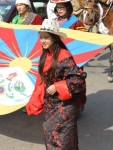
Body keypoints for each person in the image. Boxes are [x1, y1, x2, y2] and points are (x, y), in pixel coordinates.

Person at [26, 18, 86, 149]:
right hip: (50, 106)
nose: (43, 41)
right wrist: (34, 102)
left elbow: (78, 81)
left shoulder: (64, 55)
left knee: (64, 142)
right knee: (50, 138)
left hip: (65, 107)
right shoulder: (45, 55)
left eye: (46, 37)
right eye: (41, 37)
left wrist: (58, 86)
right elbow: (41, 81)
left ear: (55, 38)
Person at [51, 0, 87, 116]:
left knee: (73, 82)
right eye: (58, 8)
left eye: (62, 7)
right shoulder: (53, 22)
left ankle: (76, 107)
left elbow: (84, 38)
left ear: (68, 8)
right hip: (56, 57)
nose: (60, 10)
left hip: (72, 57)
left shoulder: (76, 22)